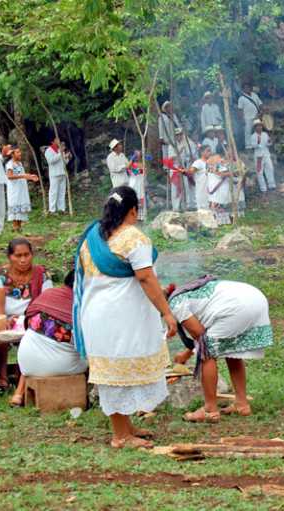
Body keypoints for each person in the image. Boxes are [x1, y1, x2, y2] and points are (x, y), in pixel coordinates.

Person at [73, 186, 176, 448]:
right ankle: (121, 436)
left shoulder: (92, 237)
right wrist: (166, 312)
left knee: (115, 369)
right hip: (119, 317)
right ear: (133, 210)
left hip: (96, 314)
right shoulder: (133, 237)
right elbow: (145, 277)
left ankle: (126, 426)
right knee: (117, 372)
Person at [167, 276, 273, 423]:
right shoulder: (185, 293)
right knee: (232, 352)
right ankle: (241, 404)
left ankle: (210, 410)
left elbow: (200, 336)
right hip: (255, 297)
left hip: (236, 306)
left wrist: (189, 352)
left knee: (207, 354)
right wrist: (187, 353)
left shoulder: (175, 304)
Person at [9, 270, 87, 406]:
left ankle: (18, 393)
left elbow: (28, 322)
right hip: (60, 366)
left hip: (26, 362)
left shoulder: (48, 294)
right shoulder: (83, 305)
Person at [0, 238, 53, 387]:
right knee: (0, 338)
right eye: (18, 256)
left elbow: (47, 303)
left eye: (27, 255)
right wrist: (3, 320)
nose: (23, 260)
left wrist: (26, 318)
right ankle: (3, 378)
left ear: (32, 254)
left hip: (34, 319)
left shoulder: (42, 274)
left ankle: (25, 375)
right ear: (9, 257)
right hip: (7, 319)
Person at [5, 146, 38, 232]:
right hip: (14, 190)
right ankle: (15, 227)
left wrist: (30, 176)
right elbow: (10, 176)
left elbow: (21, 174)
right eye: (17, 152)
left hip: (21, 189)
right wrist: (24, 176)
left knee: (20, 207)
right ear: (12, 154)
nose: (20, 154)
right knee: (15, 208)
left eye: (20, 152)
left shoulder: (19, 164)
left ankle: (19, 227)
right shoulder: (10, 164)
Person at [249, 119, 276, 193]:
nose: (259, 127)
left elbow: (268, 144)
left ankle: (272, 185)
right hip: (258, 156)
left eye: (260, 126)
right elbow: (253, 146)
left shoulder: (265, 134)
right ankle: (263, 188)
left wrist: (270, 142)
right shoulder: (253, 136)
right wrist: (258, 143)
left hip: (266, 154)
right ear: (255, 128)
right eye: (257, 126)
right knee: (259, 172)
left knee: (270, 169)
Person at [45, 136, 70, 214]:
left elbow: (64, 163)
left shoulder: (60, 150)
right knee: (53, 192)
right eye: (57, 139)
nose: (59, 141)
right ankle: (52, 210)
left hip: (62, 173)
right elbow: (51, 161)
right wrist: (60, 154)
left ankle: (61, 209)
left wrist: (67, 157)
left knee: (62, 192)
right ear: (53, 141)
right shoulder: (49, 150)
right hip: (54, 174)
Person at [207, 154, 234, 225]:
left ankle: (224, 222)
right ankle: (217, 222)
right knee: (215, 207)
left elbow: (224, 174)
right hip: (214, 189)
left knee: (221, 206)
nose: (220, 159)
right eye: (218, 158)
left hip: (221, 189)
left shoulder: (221, 167)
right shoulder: (209, 167)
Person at [176, 128, 199, 210]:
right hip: (183, 166)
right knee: (186, 185)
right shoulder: (178, 144)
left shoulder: (191, 143)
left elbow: (194, 156)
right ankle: (188, 204)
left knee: (192, 185)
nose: (179, 136)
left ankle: (194, 203)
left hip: (191, 166)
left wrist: (192, 159)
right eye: (177, 135)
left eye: (180, 134)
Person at [237, 84, 262, 148]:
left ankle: (257, 144)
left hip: (256, 117)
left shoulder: (255, 95)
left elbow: (260, 104)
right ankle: (248, 146)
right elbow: (240, 109)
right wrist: (241, 119)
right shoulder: (241, 98)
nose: (247, 88)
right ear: (243, 89)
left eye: (248, 87)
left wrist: (260, 113)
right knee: (247, 132)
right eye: (246, 88)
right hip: (247, 118)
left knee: (258, 131)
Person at [189, 145, 211, 210]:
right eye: (208, 151)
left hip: (211, 193)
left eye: (210, 151)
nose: (210, 153)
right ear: (202, 152)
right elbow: (190, 172)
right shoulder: (198, 162)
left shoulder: (211, 163)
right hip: (202, 192)